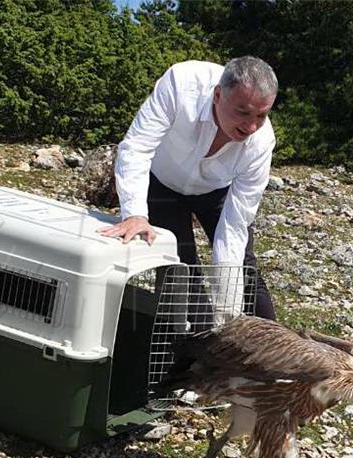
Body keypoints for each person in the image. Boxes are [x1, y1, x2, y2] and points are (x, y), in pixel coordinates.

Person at [98, 56, 278, 321]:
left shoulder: (261, 142)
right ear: (217, 95)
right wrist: (135, 213)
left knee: (243, 269)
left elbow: (234, 227)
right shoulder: (181, 83)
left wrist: (227, 313)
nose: (251, 126)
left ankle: (277, 354)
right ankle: (201, 347)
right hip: (163, 183)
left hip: (218, 189)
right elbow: (137, 146)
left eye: (261, 115)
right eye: (243, 112)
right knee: (179, 271)